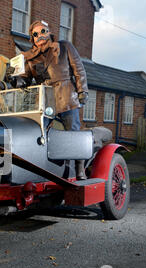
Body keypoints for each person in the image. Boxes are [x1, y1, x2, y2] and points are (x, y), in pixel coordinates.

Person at [11, 20, 89, 180]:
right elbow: (24, 80)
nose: (40, 36)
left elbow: (79, 69)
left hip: (66, 94)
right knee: (38, 132)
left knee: (72, 133)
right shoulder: (29, 57)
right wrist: (13, 79)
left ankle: (79, 168)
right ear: (31, 38)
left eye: (43, 31)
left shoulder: (64, 46)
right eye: (35, 34)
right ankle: (43, 168)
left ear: (49, 32)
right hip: (45, 99)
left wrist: (82, 91)